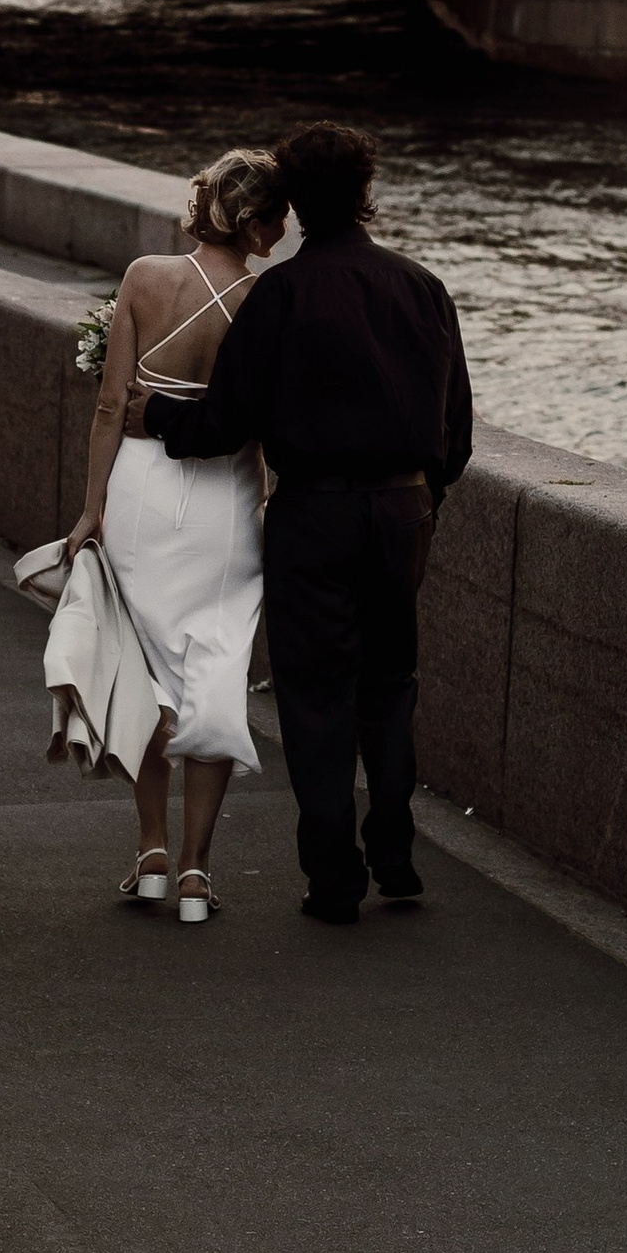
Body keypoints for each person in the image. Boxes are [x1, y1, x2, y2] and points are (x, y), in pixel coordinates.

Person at [150, 120, 472, 923]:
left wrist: (156, 416)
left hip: (315, 514)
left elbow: (225, 420)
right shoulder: (422, 286)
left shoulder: (282, 295)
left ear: (291, 205)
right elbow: (455, 430)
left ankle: (335, 877)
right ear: (366, 194)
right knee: (391, 683)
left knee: (317, 693)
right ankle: (396, 852)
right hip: (402, 511)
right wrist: (418, 498)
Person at [63, 150, 287, 924]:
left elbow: (108, 404)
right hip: (225, 497)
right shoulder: (266, 298)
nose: (285, 229)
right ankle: (196, 873)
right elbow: (263, 427)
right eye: (276, 216)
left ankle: (151, 851)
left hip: (139, 489)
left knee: (146, 669)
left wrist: (91, 510)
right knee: (212, 672)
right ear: (251, 222)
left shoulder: (143, 277)